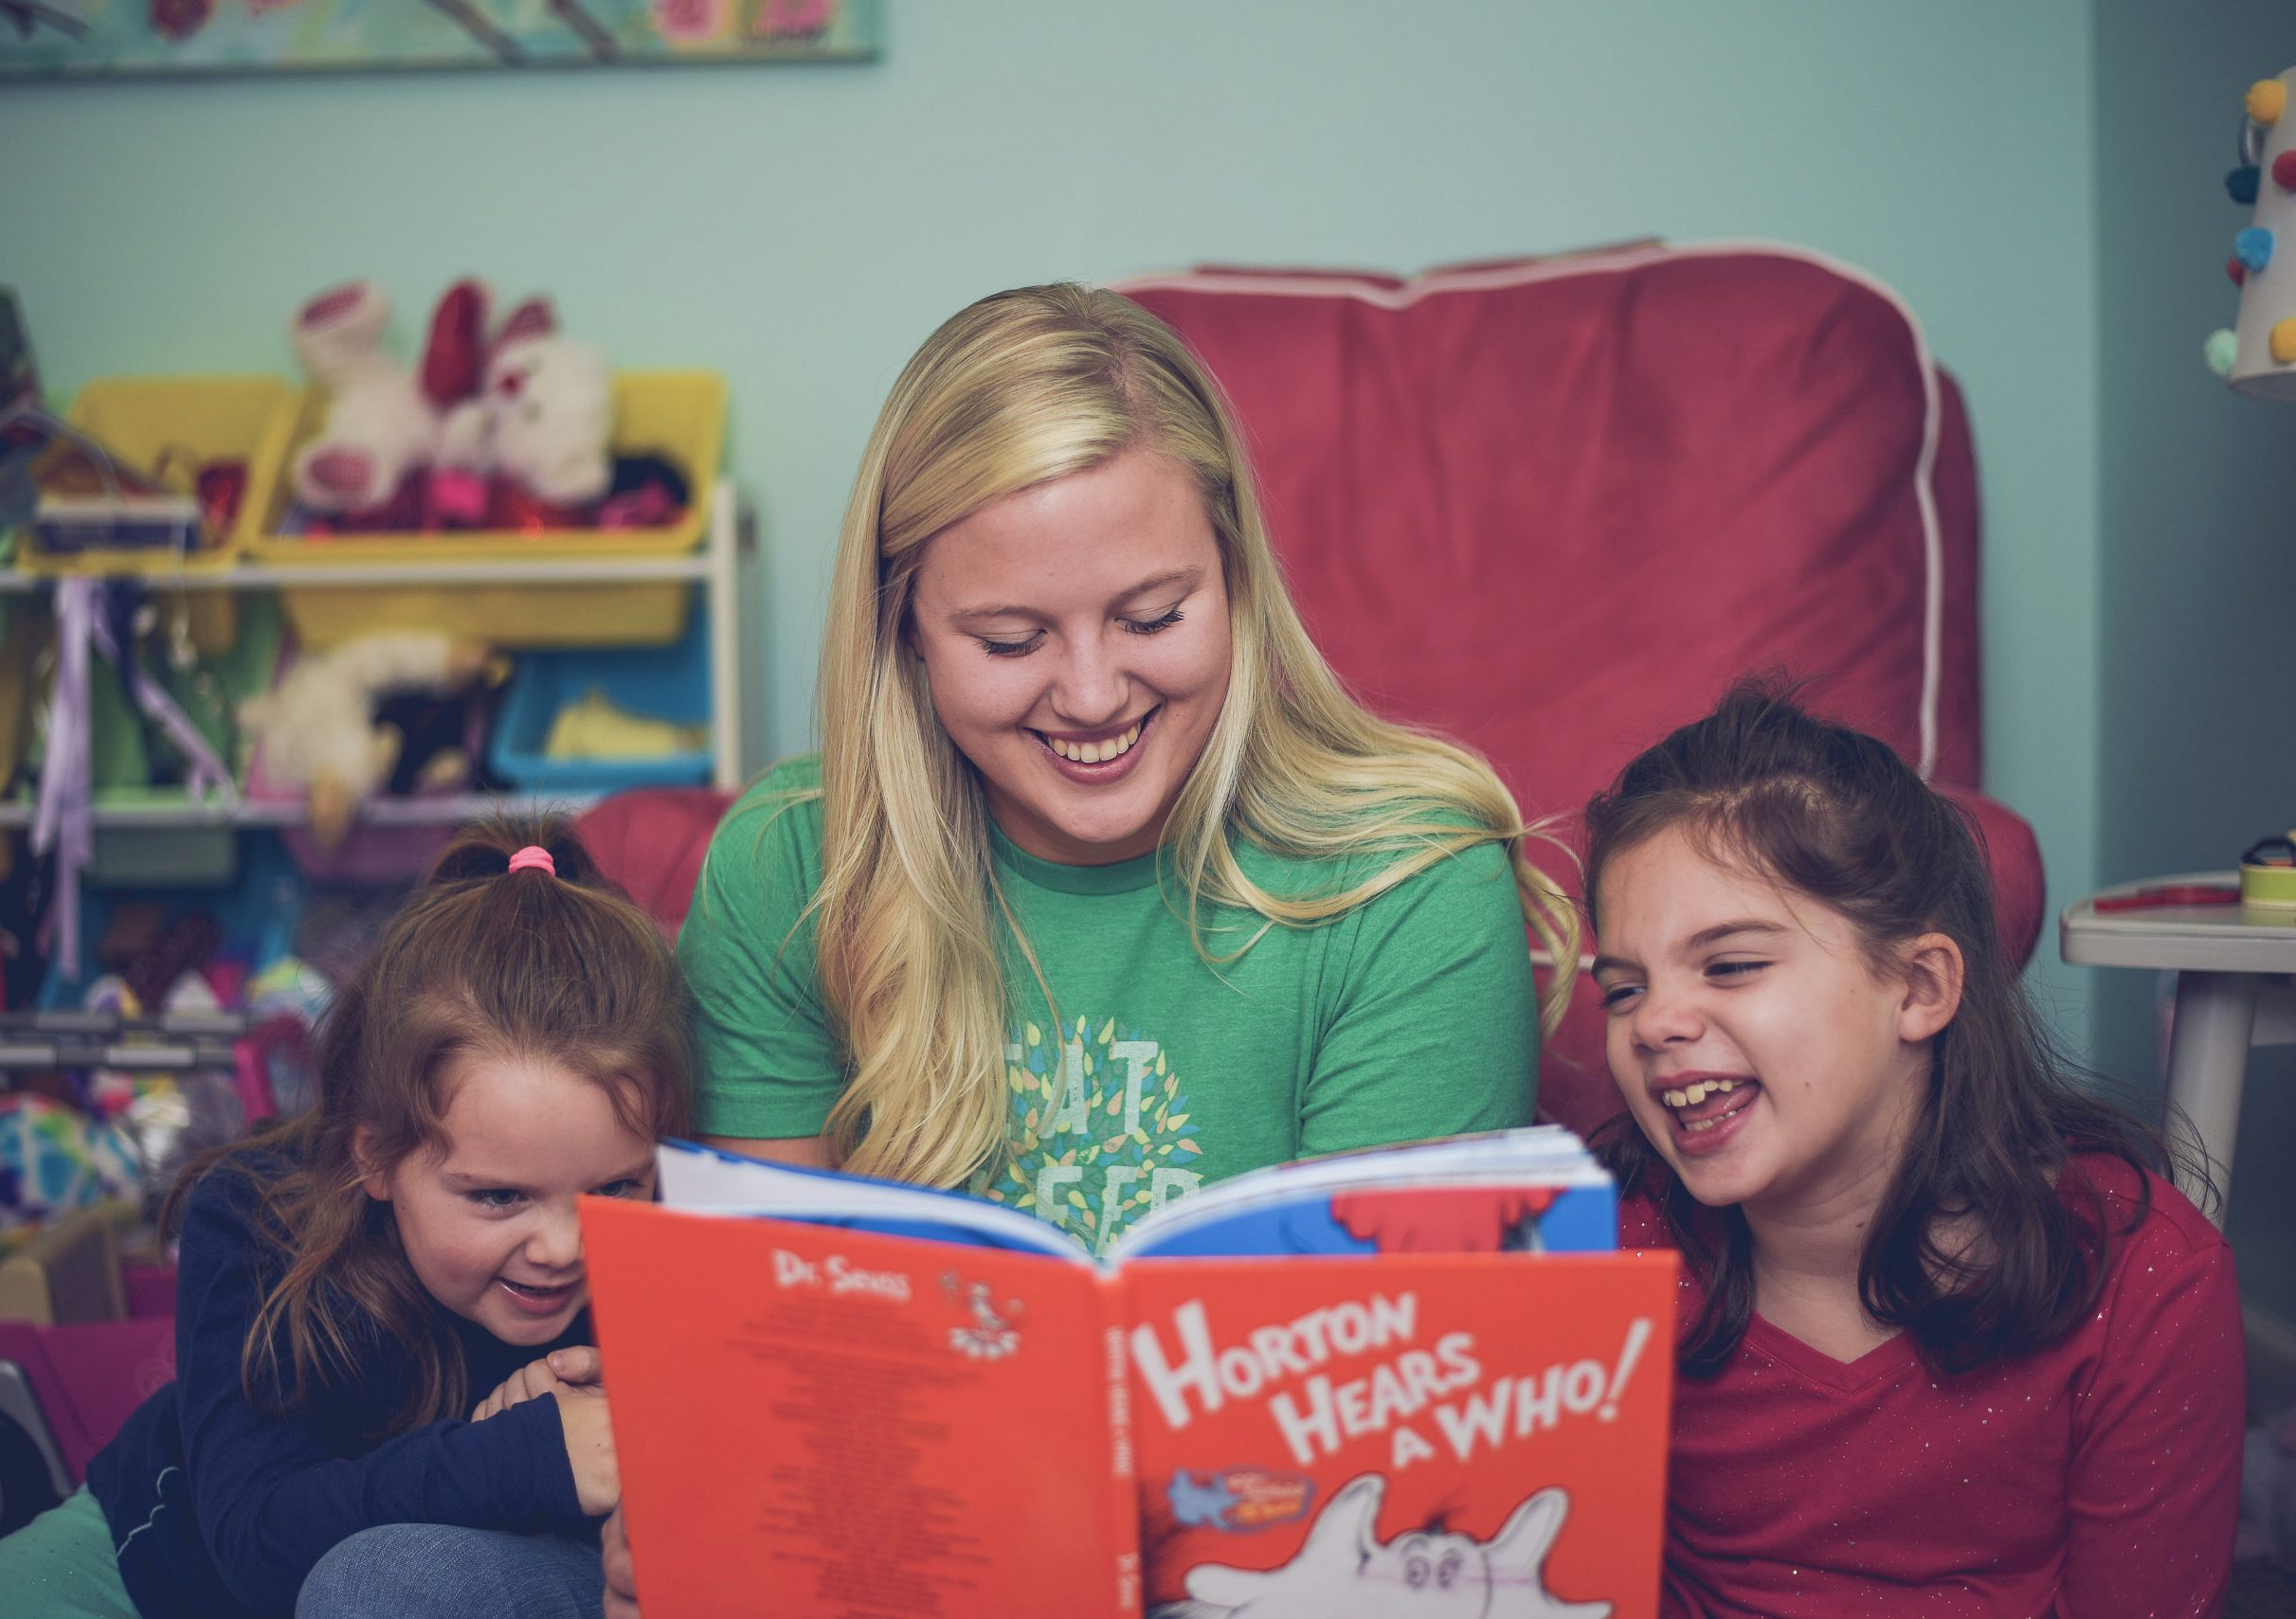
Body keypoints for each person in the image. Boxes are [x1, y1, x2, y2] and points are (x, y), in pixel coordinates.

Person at [679, 280, 1574, 1228]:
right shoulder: (788, 867)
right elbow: (775, 1329)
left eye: (1150, 617)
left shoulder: (1414, 885)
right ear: (905, 633)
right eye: (1010, 639)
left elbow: (1373, 1349)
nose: (1093, 694)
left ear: (1235, 583)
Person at [0, 818, 691, 1619]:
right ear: (374, 1156)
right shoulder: (255, 1217)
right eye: (497, 1196)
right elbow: (256, 1543)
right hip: (164, 1565)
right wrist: (532, 1454)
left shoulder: (674, 1241)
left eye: (615, 1189)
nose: (561, 1246)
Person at [1583, 681, 2243, 1616]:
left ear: (1920, 985)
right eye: (1620, 989)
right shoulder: (1608, 1253)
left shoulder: (2141, 1280)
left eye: (1730, 963)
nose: (1652, 1021)